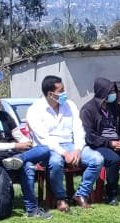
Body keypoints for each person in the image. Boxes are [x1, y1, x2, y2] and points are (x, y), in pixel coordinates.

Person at [0, 83, 52, 219]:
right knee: (27, 166)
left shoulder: (4, 116)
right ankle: (32, 209)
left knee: (45, 149)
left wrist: (25, 143)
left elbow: (20, 137)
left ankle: (19, 159)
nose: (0, 101)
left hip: (13, 156)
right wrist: (15, 146)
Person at [24, 75, 104, 212]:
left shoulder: (70, 105)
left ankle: (81, 194)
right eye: (61, 91)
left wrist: (78, 149)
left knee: (97, 159)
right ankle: (61, 198)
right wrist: (64, 153)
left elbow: (78, 129)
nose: (64, 93)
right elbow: (44, 138)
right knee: (55, 162)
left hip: (70, 144)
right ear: (50, 94)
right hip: (47, 148)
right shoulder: (35, 110)